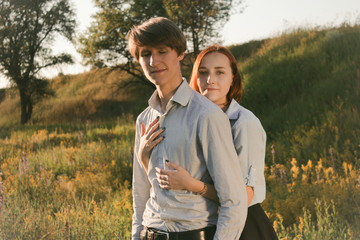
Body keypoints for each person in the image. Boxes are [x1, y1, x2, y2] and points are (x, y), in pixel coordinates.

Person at [140, 45, 278, 240]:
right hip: (206, 224)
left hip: (244, 227)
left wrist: (192, 184)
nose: (210, 80)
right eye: (203, 73)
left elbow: (243, 197)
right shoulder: (190, 119)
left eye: (220, 72)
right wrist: (144, 155)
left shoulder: (243, 123)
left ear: (233, 79)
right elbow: (166, 180)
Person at [128, 17, 248, 240]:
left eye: (162, 51)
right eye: (145, 54)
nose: (153, 61)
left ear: (180, 53)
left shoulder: (207, 115)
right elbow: (140, 191)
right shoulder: (143, 119)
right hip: (149, 232)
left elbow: (234, 200)